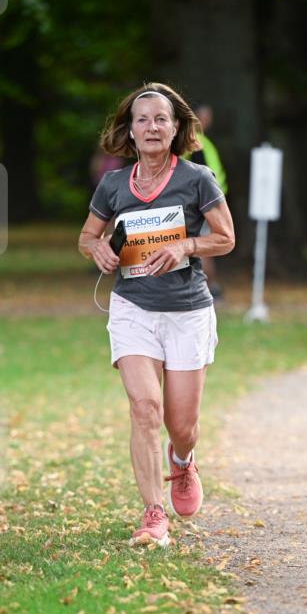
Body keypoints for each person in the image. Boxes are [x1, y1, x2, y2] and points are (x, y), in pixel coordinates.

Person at [78, 83, 235, 547]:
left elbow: (225, 238)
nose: (151, 127)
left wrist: (185, 245)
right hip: (133, 308)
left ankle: (182, 461)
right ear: (130, 129)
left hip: (187, 310)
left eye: (161, 119)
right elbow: (87, 236)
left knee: (180, 425)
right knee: (144, 409)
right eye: (142, 119)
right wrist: (98, 249)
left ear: (177, 127)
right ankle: (153, 514)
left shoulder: (196, 178)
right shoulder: (112, 185)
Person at [184, 104, 229, 300]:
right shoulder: (195, 143)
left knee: (206, 246)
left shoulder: (202, 141)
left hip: (212, 203)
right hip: (202, 204)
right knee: (205, 247)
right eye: (203, 116)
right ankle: (209, 287)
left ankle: (208, 286)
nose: (207, 121)